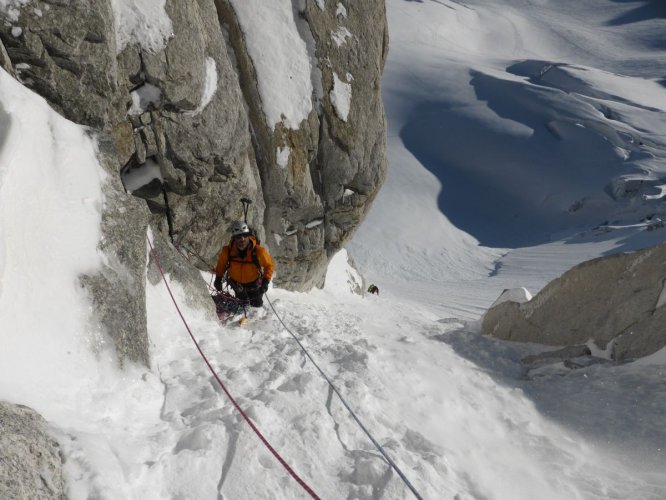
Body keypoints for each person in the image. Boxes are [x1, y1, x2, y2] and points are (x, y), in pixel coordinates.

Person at [214, 221, 275, 307]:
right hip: (237, 285)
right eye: (238, 237)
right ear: (234, 238)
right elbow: (221, 265)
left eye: (245, 235)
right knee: (242, 306)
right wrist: (218, 278)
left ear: (248, 236)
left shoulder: (258, 251)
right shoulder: (227, 251)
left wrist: (265, 281)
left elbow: (269, 265)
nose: (242, 239)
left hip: (254, 285)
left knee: (256, 307)